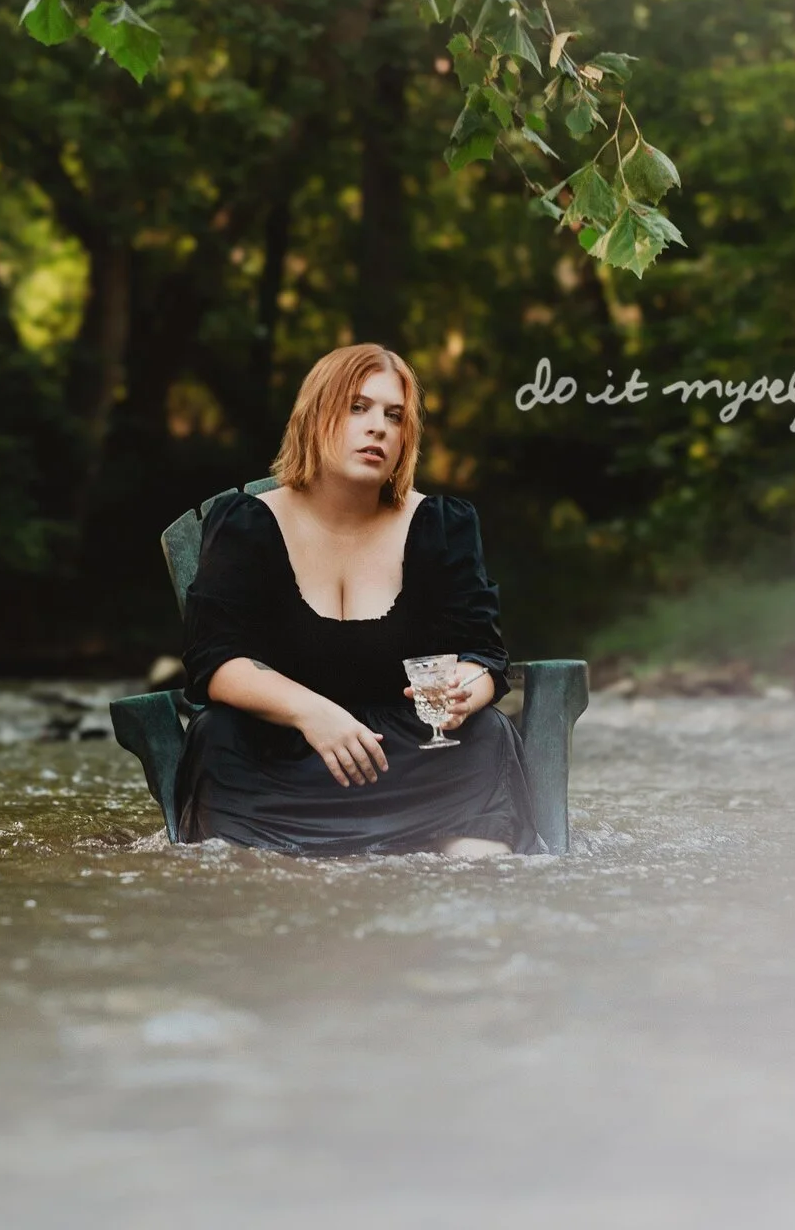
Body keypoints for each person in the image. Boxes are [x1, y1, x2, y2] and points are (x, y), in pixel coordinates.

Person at [174, 343, 548, 858]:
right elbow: (214, 662)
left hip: (411, 758)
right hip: (281, 756)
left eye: (394, 416)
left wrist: (468, 690)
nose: (378, 428)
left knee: (487, 734)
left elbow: (482, 654)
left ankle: (463, 888)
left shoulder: (441, 526)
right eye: (357, 407)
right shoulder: (246, 524)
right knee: (217, 734)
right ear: (315, 416)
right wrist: (312, 713)